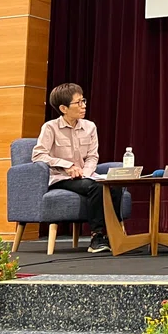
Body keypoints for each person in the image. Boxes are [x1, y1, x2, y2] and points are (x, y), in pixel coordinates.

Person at [31, 83, 123, 254]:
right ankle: (97, 237)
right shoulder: (50, 128)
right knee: (95, 188)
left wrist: (85, 173)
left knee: (114, 185)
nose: (84, 106)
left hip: (86, 176)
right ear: (63, 108)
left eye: (84, 101)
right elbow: (38, 155)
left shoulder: (90, 127)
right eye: (78, 103)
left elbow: (92, 156)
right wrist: (67, 166)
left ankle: (115, 236)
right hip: (61, 178)